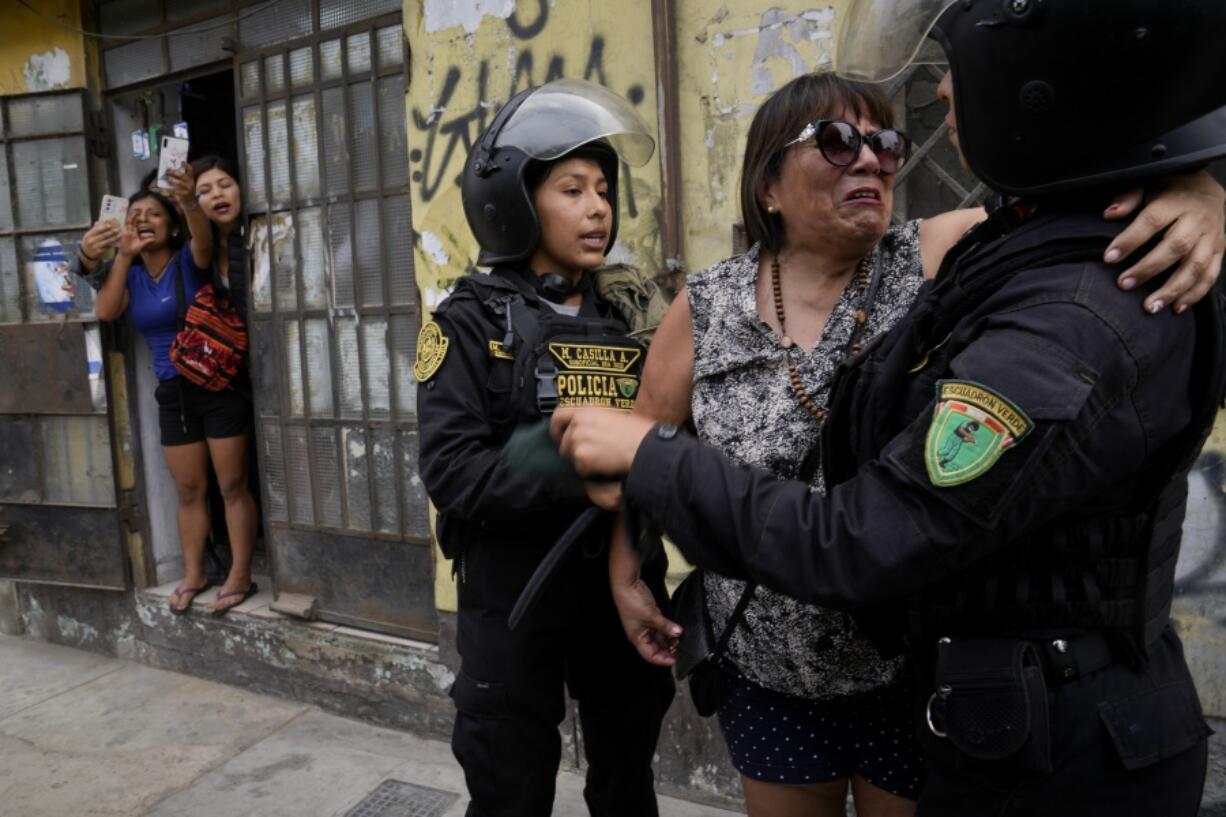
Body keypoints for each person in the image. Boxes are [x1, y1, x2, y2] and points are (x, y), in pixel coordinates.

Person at [552, 1, 1226, 814]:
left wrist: (1199, 191)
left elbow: (1088, 201)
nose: (870, 158)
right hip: (769, 666)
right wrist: (630, 575)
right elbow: (643, 441)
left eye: (884, 142)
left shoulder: (938, 254)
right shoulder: (708, 303)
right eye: (836, 142)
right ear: (768, 183)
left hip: (906, 675)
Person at [414, 78, 674, 817]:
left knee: (628, 782)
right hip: (512, 594)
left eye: (602, 189)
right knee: (509, 787)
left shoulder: (635, 314)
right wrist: (571, 466)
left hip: (622, 584)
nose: (598, 208)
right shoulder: (466, 323)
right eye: (571, 189)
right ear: (515, 201)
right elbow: (452, 472)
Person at [91, 164, 256, 617]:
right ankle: (194, 574)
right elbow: (106, 312)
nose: (143, 220)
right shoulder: (134, 277)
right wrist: (122, 256)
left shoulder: (190, 260)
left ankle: (240, 575)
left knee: (232, 485)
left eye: (153, 214)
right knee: (189, 490)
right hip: (173, 393)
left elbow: (202, 237)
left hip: (218, 386)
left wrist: (188, 199)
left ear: (171, 224)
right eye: (135, 215)